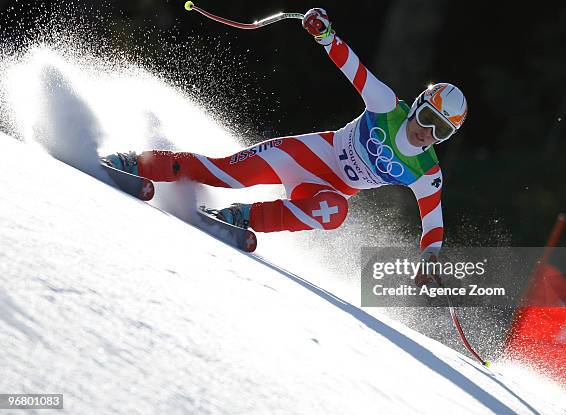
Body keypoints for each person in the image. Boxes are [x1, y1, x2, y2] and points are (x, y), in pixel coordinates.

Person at [103, 8, 467, 279]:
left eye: (440, 131)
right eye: (426, 118)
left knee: (335, 212)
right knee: (228, 175)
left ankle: (242, 218)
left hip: (324, 188)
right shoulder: (387, 105)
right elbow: (352, 68)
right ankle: (136, 163)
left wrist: (430, 255)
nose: (426, 131)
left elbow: (432, 222)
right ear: (417, 106)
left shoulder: (426, 172)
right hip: (305, 157)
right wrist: (325, 35)